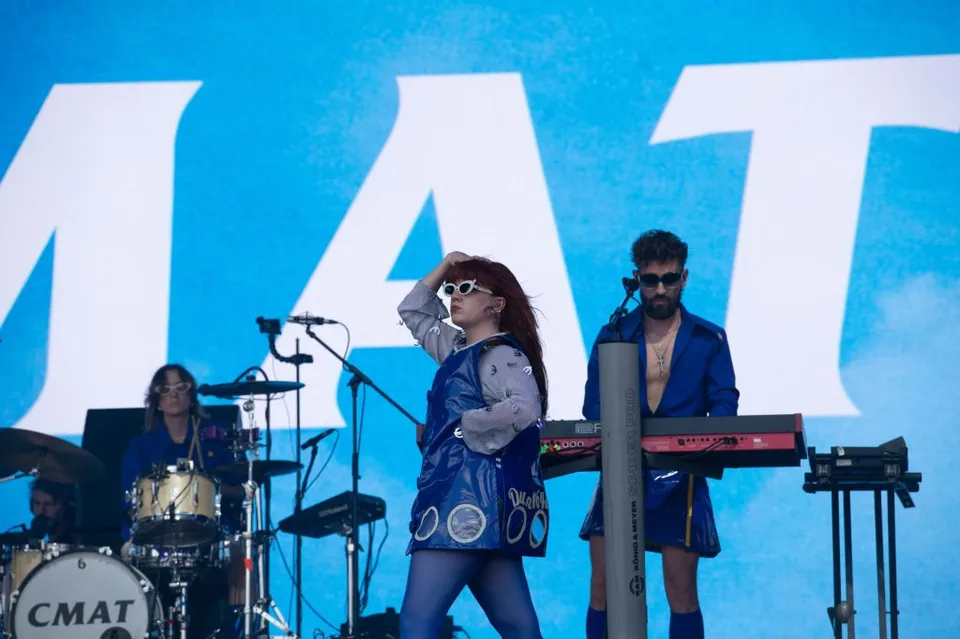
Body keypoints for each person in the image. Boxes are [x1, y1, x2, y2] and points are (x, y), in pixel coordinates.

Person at [580, 230, 739, 639]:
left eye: (670, 278)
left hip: (682, 473)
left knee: (680, 587)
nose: (661, 289)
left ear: (684, 277)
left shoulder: (708, 338)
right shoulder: (613, 334)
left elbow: (725, 403)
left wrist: (704, 442)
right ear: (637, 279)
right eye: (651, 280)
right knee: (602, 585)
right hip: (622, 467)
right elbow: (592, 406)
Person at [397, 251, 550, 638]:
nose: (455, 296)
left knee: (416, 622)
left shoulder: (499, 354)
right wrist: (447, 264)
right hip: (485, 512)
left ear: (496, 304)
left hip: (459, 505)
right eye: (451, 289)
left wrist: (462, 426)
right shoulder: (457, 349)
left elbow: (526, 407)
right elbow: (412, 311)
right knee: (519, 627)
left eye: (467, 287)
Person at [120, 363, 247, 639]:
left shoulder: (218, 437)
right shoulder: (141, 447)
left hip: (214, 534)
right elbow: (129, 501)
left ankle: (235, 629)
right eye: (165, 389)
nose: (174, 394)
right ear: (156, 400)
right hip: (154, 539)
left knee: (241, 550)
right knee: (125, 553)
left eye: (181, 387)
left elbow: (244, 487)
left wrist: (211, 490)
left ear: (191, 395)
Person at [28, 478, 75, 544]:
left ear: (65, 506)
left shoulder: (74, 540)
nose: (41, 511)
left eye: (49, 504)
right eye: (37, 503)